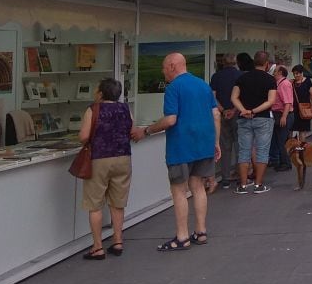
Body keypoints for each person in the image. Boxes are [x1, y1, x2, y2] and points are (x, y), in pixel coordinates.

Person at [132, 53, 220, 252]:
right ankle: (201, 231)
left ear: (172, 66)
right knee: (198, 187)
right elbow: (215, 114)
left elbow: (170, 119)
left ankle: (182, 236)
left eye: (164, 68)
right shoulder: (203, 85)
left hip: (182, 146)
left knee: (179, 190)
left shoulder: (173, 88)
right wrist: (215, 141)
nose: (163, 72)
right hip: (203, 144)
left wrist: (146, 130)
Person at [78, 78, 132, 260]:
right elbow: (130, 130)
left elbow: (84, 136)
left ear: (101, 93)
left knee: (95, 204)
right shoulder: (125, 109)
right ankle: (118, 241)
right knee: (118, 202)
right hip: (123, 157)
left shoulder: (93, 109)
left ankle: (98, 247)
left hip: (99, 158)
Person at [230, 50, 277, 194]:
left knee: (244, 151)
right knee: (262, 151)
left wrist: (244, 110)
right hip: (263, 118)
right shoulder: (270, 79)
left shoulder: (242, 78)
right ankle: (258, 184)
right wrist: (255, 110)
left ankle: (243, 185)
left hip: (244, 119)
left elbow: (234, 97)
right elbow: (271, 101)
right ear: (267, 64)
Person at [208, 53, 241, 188]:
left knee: (224, 146)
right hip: (237, 113)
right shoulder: (240, 75)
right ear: (235, 62)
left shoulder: (216, 76)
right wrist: (233, 109)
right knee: (240, 146)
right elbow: (242, 95)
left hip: (221, 115)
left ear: (223, 63)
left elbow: (212, 96)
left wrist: (223, 110)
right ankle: (241, 175)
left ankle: (225, 177)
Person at [269, 65, 294, 172]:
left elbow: (288, 102)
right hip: (277, 113)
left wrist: (284, 116)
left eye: (275, 71)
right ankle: (278, 160)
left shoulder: (284, 84)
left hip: (283, 114)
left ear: (280, 72)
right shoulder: (278, 83)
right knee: (277, 138)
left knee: (282, 140)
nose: (273, 73)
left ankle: (286, 163)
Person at [290, 64, 312, 133]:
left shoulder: (307, 81)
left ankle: (302, 143)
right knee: (291, 129)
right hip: (294, 109)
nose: (295, 75)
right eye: (294, 74)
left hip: (305, 108)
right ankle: (291, 143)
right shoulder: (292, 82)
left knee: (302, 130)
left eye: (297, 73)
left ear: (302, 73)